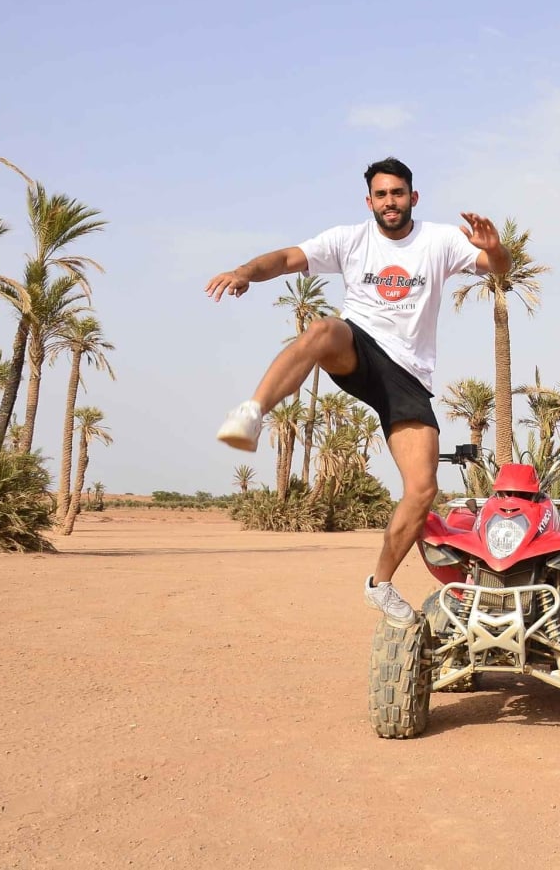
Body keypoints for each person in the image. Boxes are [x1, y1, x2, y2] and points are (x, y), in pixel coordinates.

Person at [205, 156, 510, 622]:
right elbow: (287, 258)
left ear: (413, 197)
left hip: (409, 377)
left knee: (423, 488)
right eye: (382, 194)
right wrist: (246, 270)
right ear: (369, 201)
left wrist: (496, 248)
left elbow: (496, 267)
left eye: (398, 193)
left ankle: (381, 584)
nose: (391, 202)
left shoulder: (440, 240)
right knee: (325, 329)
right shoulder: (349, 239)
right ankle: (252, 411)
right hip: (361, 348)